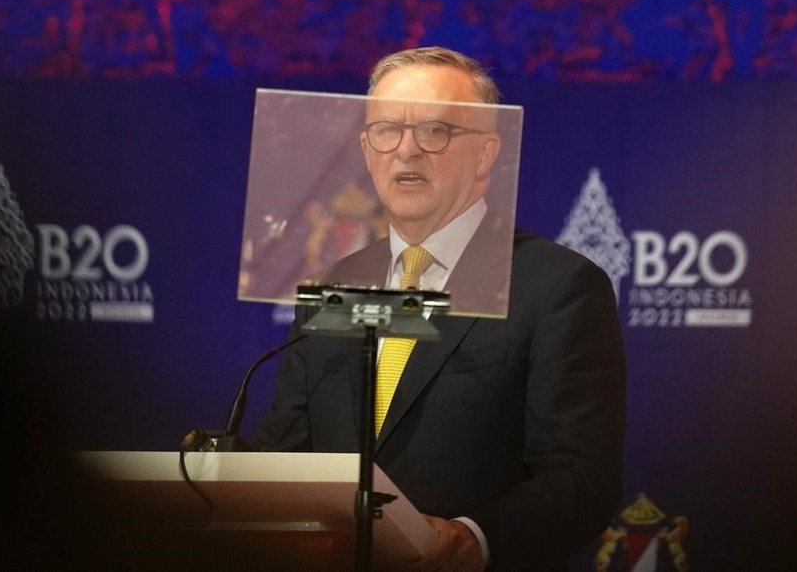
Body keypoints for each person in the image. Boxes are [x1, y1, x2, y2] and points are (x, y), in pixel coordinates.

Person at [252, 46, 626, 571]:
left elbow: (579, 477)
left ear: (486, 152)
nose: (406, 151)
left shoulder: (557, 286)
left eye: (436, 130)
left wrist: (474, 538)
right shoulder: (338, 282)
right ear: (365, 148)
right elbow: (288, 448)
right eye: (386, 130)